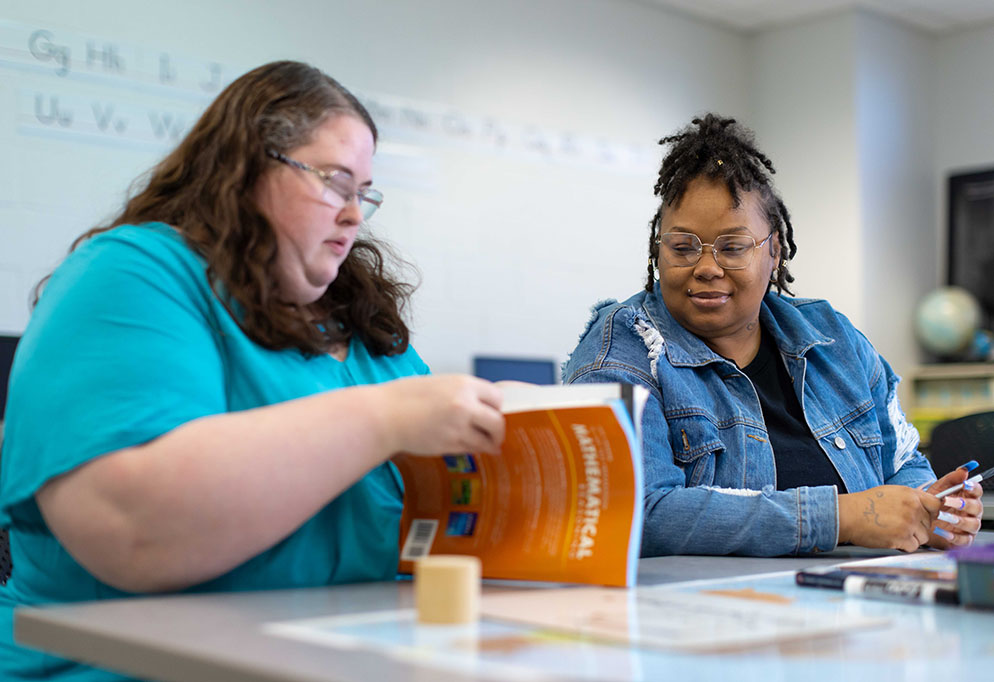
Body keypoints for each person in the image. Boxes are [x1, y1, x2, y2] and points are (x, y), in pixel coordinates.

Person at [0, 61, 505, 680]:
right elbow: (132, 528)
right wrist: (388, 418)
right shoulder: (133, 275)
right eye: (335, 183)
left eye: (364, 194)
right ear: (246, 167)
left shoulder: (361, 321)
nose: (353, 214)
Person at [563, 114, 984, 557]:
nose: (706, 268)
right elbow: (634, 513)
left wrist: (928, 509)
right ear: (658, 248)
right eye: (682, 247)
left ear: (775, 249)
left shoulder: (833, 339)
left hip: (862, 598)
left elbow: (903, 465)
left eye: (732, 247)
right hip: (711, 611)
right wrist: (841, 517)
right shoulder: (621, 350)